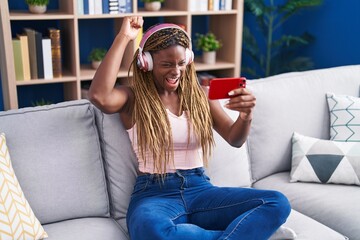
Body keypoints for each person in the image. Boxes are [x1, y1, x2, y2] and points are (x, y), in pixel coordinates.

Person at [89, 16, 291, 240]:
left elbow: (235, 139)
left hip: (201, 190)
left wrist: (246, 116)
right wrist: (124, 37)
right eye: (166, 64)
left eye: (181, 63)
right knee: (150, 231)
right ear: (145, 63)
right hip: (154, 194)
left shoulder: (200, 97)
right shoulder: (134, 98)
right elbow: (99, 95)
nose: (176, 71)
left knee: (276, 203)